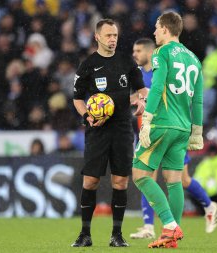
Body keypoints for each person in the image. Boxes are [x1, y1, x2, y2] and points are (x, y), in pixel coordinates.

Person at [130, 38, 217, 240]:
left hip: (164, 128)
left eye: (138, 50)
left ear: (149, 52)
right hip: (150, 131)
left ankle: (208, 205)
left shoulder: (161, 68)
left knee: (180, 180)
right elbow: (140, 98)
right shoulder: (139, 75)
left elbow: (160, 95)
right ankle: (150, 226)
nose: (134, 54)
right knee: (151, 177)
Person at [71, 18, 148, 247]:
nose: (112, 39)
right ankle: (85, 234)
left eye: (115, 35)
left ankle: (117, 234)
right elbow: (77, 99)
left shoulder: (127, 61)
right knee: (91, 181)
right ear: (97, 37)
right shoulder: (88, 65)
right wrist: (87, 117)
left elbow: (142, 89)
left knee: (121, 181)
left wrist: (142, 99)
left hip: (123, 129)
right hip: (98, 131)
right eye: (108, 36)